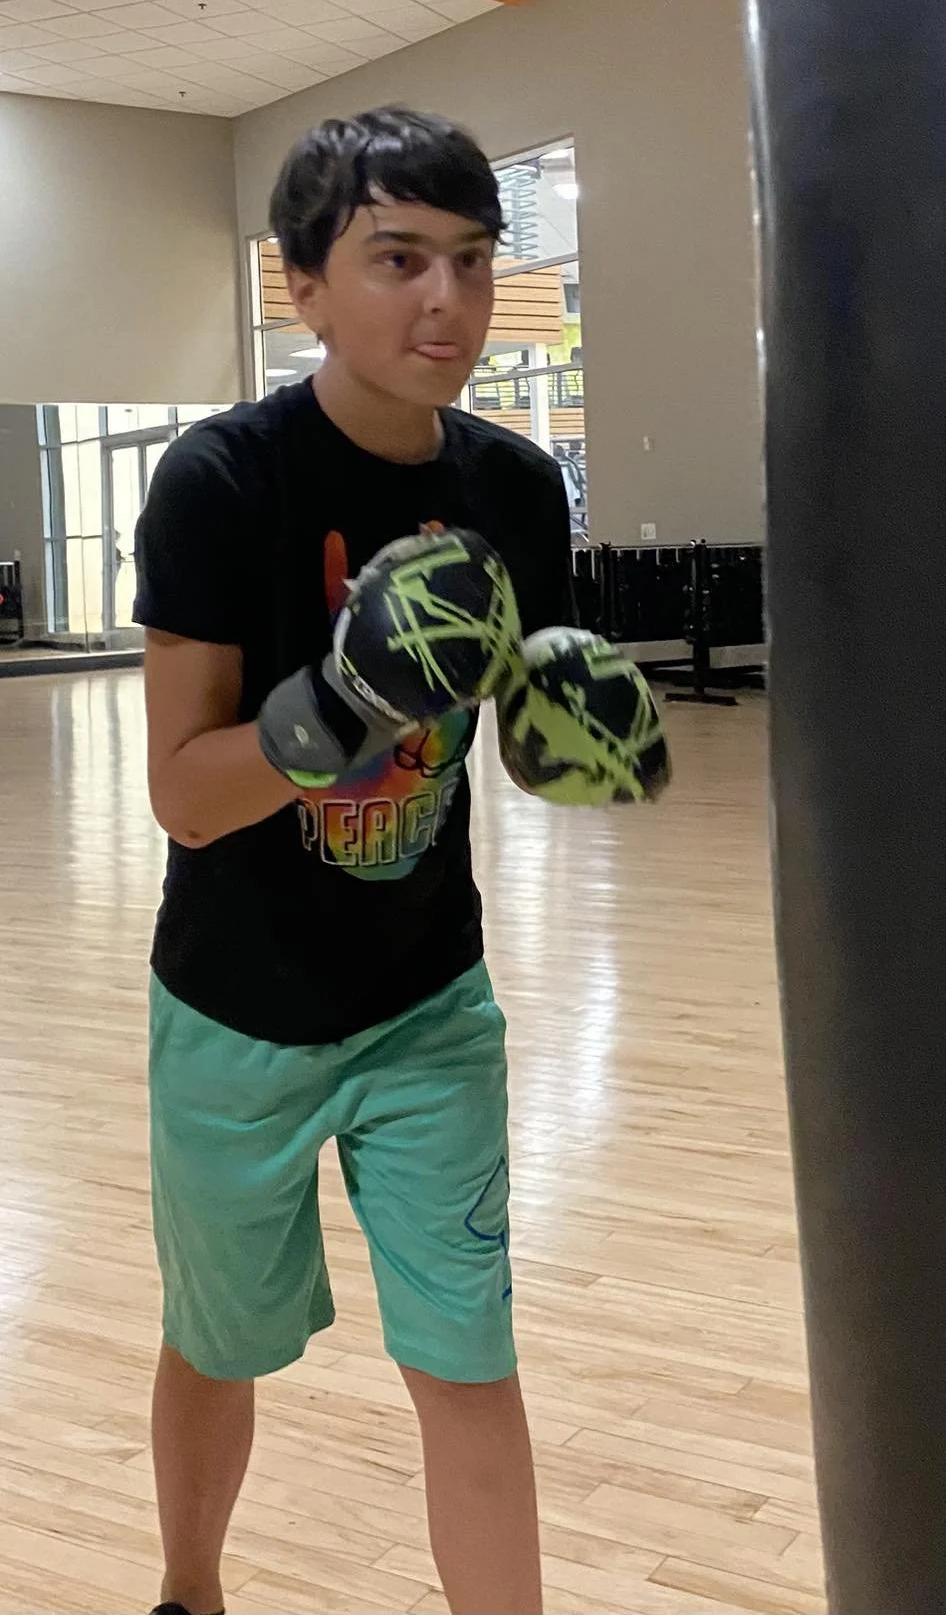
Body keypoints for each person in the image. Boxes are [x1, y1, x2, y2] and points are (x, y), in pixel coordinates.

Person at [135, 106, 578, 1615]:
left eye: (469, 259)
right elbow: (187, 799)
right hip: (233, 1016)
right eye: (396, 259)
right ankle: (189, 1590)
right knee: (218, 1341)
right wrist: (343, 700)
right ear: (302, 284)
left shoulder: (516, 491)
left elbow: (512, 738)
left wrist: (573, 730)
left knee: (467, 1359)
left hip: (426, 1009)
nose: (442, 301)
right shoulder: (223, 483)